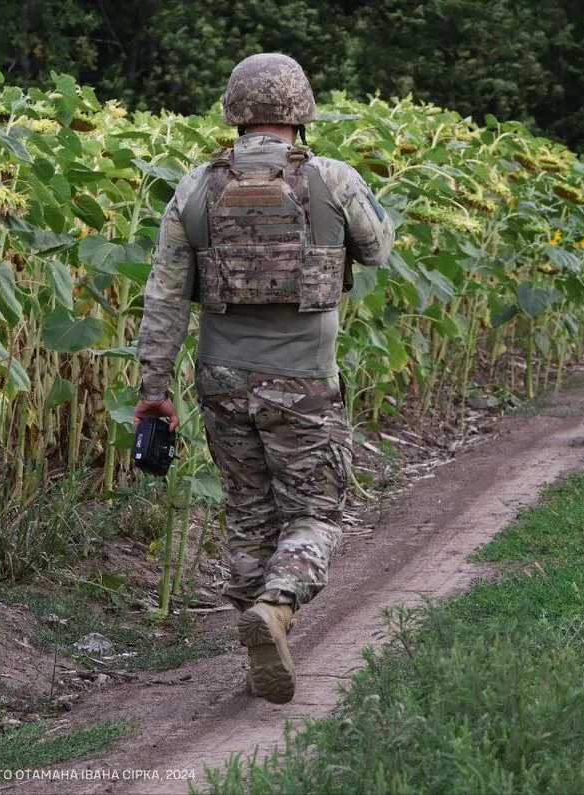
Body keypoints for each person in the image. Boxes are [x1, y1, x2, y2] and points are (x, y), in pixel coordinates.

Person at [133, 52, 395, 704]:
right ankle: (277, 606)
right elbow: (378, 249)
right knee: (314, 513)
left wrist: (152, 389)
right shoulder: (330, 179)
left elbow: (164, 298)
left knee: (250, 515)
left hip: (221, 380)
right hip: (303, 380)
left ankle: (258, 637)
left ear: (235, 111)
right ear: (300, 114)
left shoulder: (194, 188)